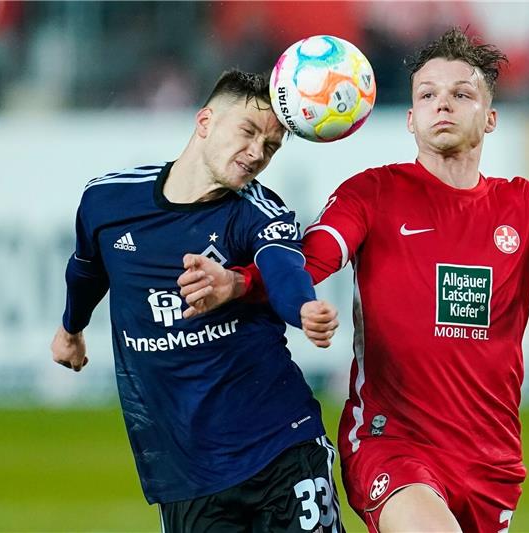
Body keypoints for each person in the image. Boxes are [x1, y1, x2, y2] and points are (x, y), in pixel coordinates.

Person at [177, 29, 529, 532]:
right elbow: (312, 256)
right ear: (410, 118)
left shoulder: (527, 210)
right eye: (427, 95)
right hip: (389, 444)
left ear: (491, 116)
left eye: (461, 94)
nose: (442, 105)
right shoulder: (371, 194)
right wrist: (240, 283)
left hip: (490, 461)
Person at [51, 69, 344, 533]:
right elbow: (87, 268)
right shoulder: (107, 200)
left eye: (271, 146)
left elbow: (285, 271)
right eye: (248, 132)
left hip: (281, 444)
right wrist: (71, 328)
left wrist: (303, 308)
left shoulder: (260, 211)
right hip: (185, 468)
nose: (256, 154)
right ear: (205, 120)